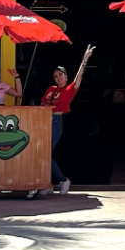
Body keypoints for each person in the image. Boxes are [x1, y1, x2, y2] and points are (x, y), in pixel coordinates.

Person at [40, 44, 95, 196]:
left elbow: (79, 77)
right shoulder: (51, 89)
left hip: (56, 121)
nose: (58, 78)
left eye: (60, 75)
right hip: (43, 122)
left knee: (46, 154)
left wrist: (84, 59)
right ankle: (47, 183)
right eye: (56, 76)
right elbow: (42, 105)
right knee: (42, 153)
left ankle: (63, 180)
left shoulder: (69, 89)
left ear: (65, 76)